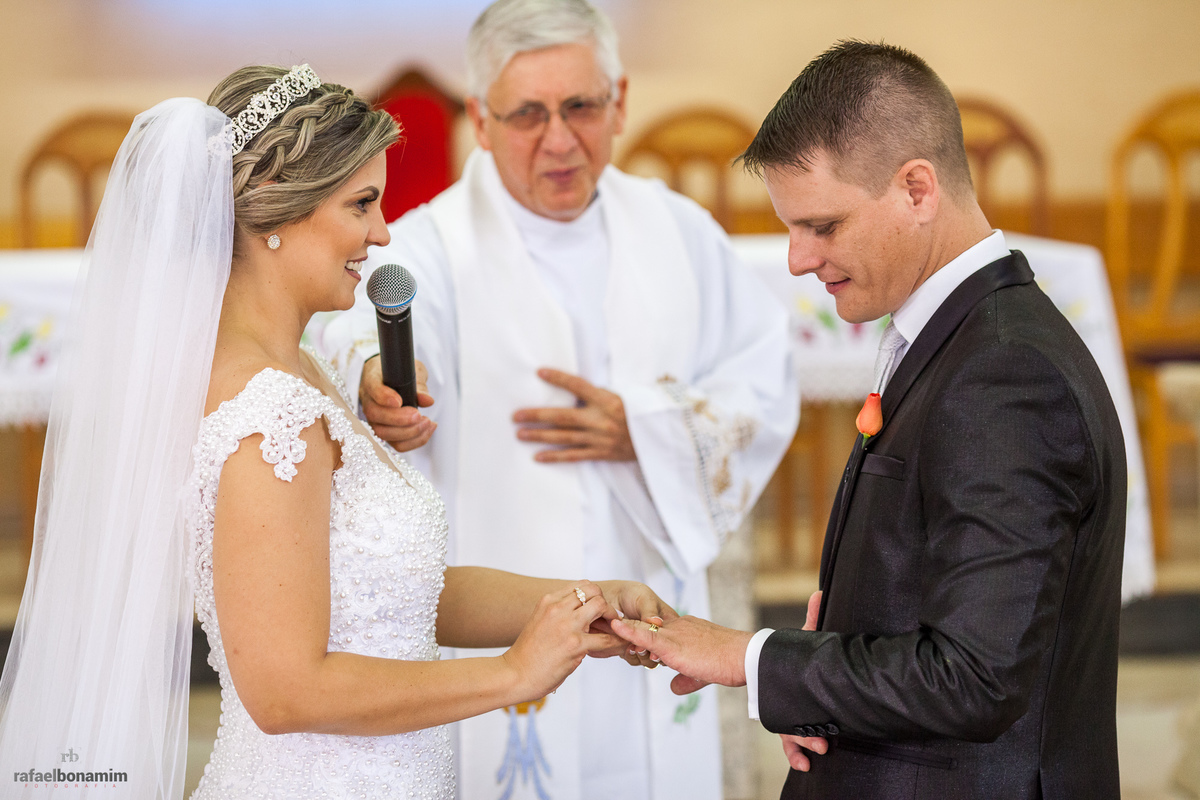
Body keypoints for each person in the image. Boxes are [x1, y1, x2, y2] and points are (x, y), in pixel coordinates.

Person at [0, 64, 673, 800]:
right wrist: (513, 675)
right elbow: (285, 691)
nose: (381, 233)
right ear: (278, 213)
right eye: (361, 204)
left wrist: (585, 601)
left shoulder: (302, 370)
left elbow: (394, 596)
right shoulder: (268, 415)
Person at [614, 41, 1127, 800]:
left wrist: (749, 657)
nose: (797, 259)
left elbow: (976, 677)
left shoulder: (1006, 373)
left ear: (917, 189)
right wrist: (818, 680)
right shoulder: (957, 336)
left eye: (823, 225)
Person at [321, 1, 799, 797]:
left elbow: (763, 376)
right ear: (480, 119)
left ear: (619, 101)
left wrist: (652, 429)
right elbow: (357, 330)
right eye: (527, 114)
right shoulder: (430, 244)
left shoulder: (681, 233)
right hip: (500, 610)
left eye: (580, 106)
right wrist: (375, 383)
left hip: (649, 590)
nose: (560, 139)